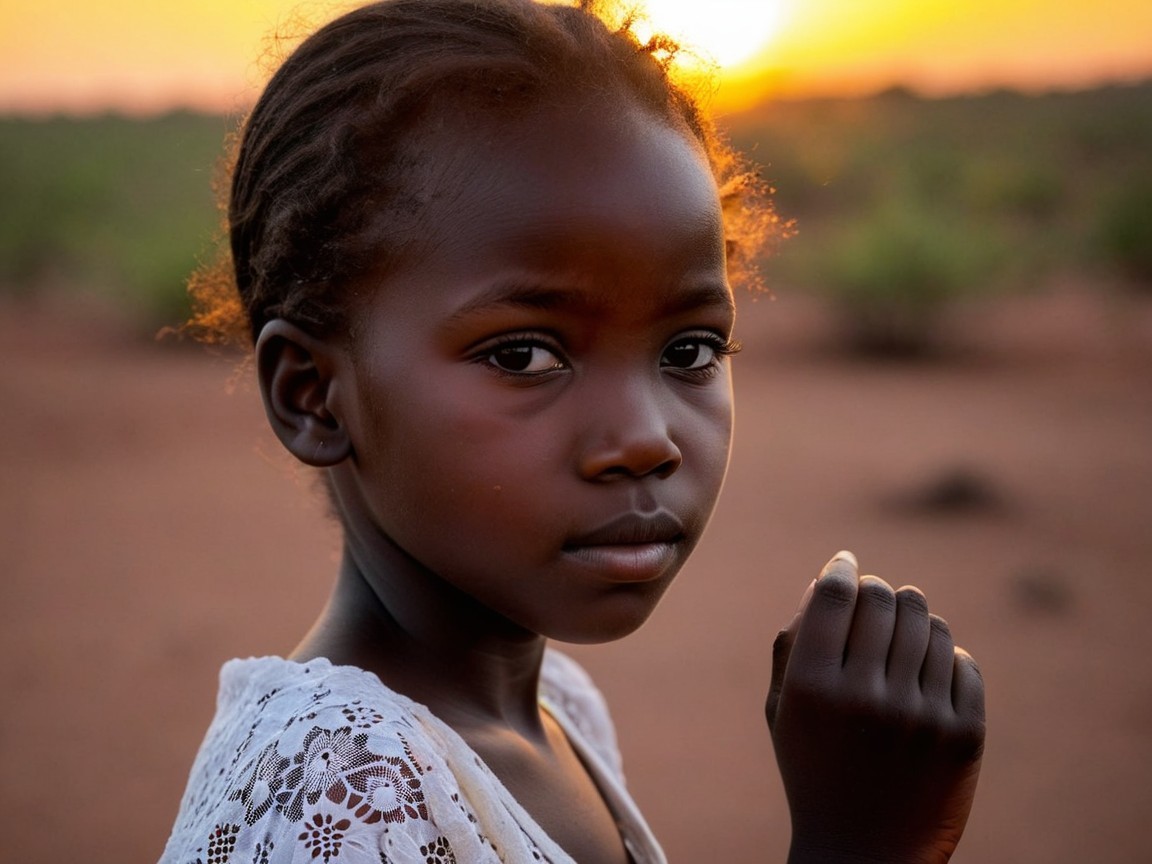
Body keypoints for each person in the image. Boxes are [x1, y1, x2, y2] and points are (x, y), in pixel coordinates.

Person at [160, 1, 985, 862]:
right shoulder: (349, 794)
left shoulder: (553, 709)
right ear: (315, 396)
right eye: (523, 355)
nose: (645, 439)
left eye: (690, 348)